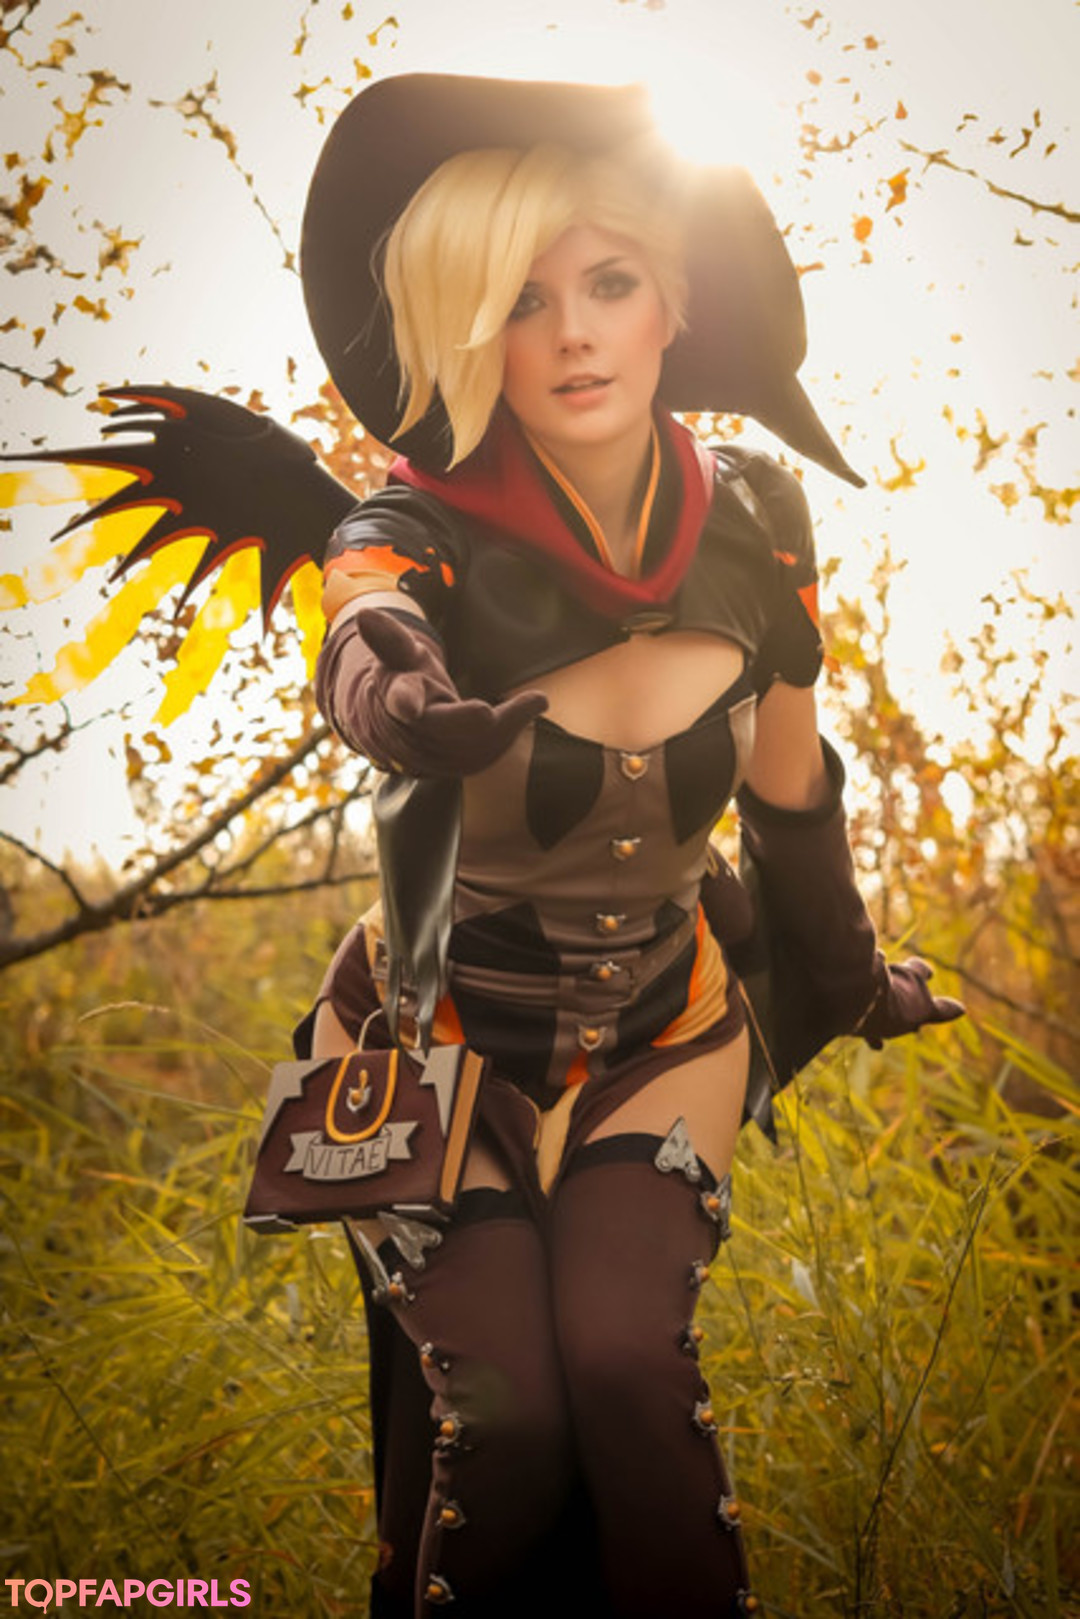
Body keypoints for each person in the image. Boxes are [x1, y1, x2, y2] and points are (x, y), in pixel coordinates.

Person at [295, 73, 962, 1619]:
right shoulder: (413, 525)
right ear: (475, 330)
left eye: (608, 284)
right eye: (523, 301)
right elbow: (364, 619)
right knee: (504, 1423)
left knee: (625, 1380)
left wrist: (851, 978)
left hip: (660, 1026)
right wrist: (392, 689)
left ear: (675, 301)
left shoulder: (762, 518)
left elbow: (791, 795)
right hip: (426, 1034)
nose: (573, 336)